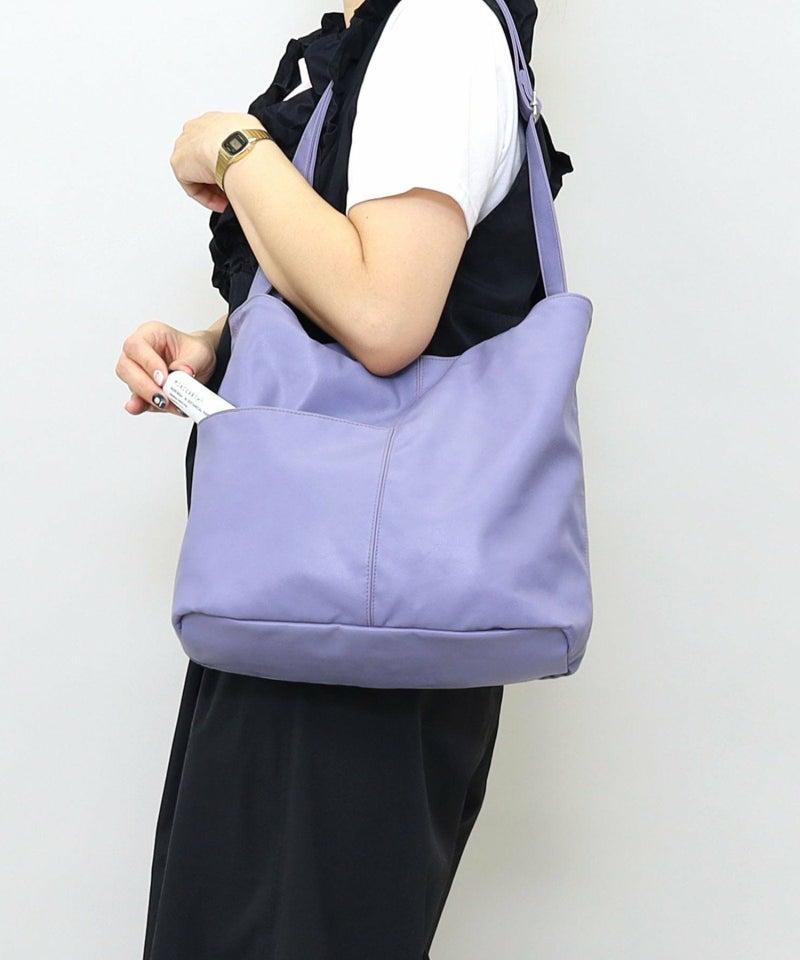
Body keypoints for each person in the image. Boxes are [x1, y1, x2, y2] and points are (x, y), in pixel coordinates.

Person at [115, 1, 573, 957]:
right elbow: (380, 301)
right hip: (315, 612)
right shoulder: (401, 34)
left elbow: (385, 316)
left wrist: (235, 148)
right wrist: (221, 348)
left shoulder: (437, 26)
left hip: (343, 646)